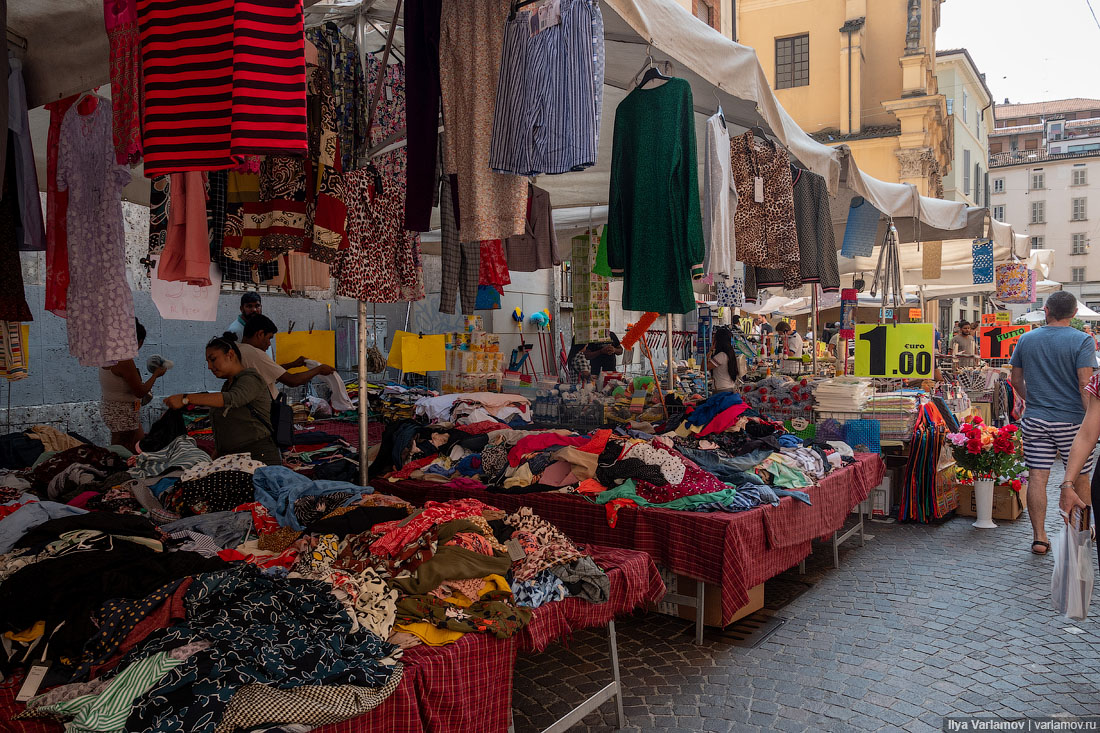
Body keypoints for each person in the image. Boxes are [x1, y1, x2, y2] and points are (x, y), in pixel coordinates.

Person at [1009, 291, 1097, 555]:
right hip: (1072, 421)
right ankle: (1080, 531)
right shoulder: (1083, 340)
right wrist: (1091, 420)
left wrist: (1032, 399)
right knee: (1080, 477)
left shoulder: (1026, 339)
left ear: (1046, 310)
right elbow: (1085, 384)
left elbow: (1014, 380)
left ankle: (1039, 537)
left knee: (1037, 477)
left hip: (1036, 419)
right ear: (1074, 313)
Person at [163, 335, 281, 465]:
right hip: (235, 458)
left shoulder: (251, 379)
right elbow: (224, 434)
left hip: (258, 456)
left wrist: (186, 399)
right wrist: (212, 462)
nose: (209, 366)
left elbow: (232, 398)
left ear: (230, 354)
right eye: (207, 361)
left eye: (213, 359)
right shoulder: (228, 385)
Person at [99, 319, 167, 451]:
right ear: (138, 341)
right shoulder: (124, 360)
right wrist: (156, 375)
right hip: (122, 412)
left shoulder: (108, 354)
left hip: (114, 408)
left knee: (138, 446)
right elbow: (140, 392)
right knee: (122, 450)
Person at [233, 315, 335, 398]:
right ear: (260, 334)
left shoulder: (240, 349)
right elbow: (292, 380)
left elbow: (273, 373)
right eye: (269, 338)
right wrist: (319, 369)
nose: (269, 344)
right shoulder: (255, 354)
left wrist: (293, 364)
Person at [707, 326, 740, 391]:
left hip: (721, 390)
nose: (712, 340)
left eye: (714, 338)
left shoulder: (721, 356)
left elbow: (704, 367)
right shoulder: (729, 354)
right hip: (729, 387)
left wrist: (710, 350)